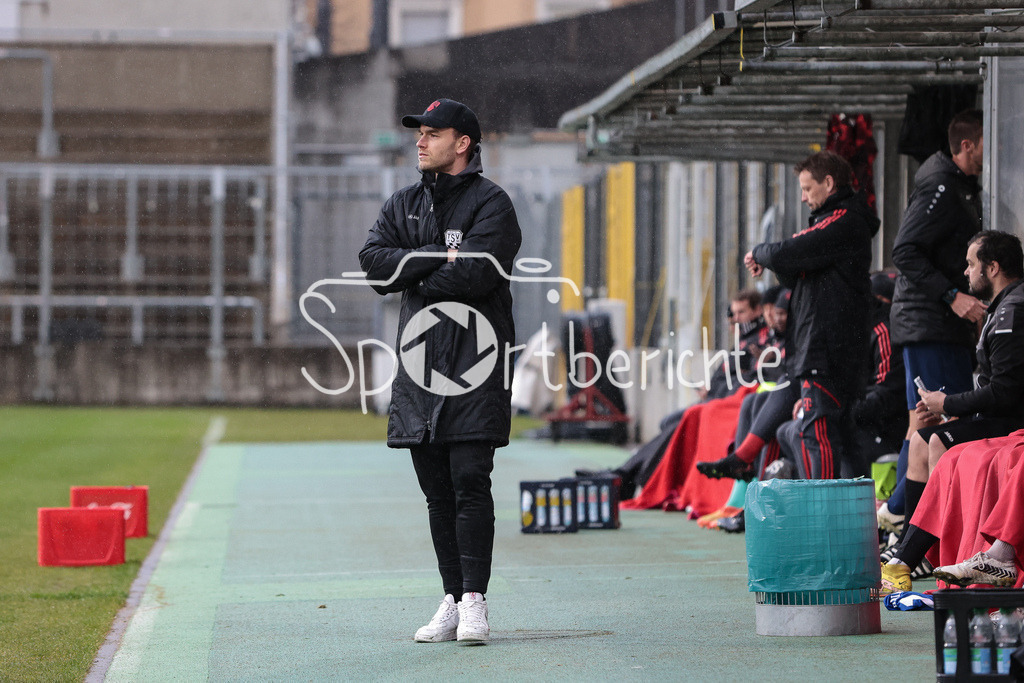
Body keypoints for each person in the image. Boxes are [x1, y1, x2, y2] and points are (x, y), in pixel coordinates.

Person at [358, 98, 522, 644]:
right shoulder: (403, 203)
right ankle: (451, 598)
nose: (420, 141)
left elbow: (476, 275)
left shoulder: (492, 203)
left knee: (470, 479)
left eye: (433, 133)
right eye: (419, 133)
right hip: (420, 367)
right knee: (436, 491)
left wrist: (414, 271)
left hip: (477, 364)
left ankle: (475, 601)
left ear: (463, 143)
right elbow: (374, 265)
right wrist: (437, 256)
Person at [699, 150, 879, 480]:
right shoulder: (833, 225)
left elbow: (788, 252)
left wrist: (759, 253)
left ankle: (821, 509)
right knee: (839, 436)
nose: (803, 197)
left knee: (818, 433)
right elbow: (792, 269)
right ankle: (843, 510)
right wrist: (774, 260)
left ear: (829, 183)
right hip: (822, 348)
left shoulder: (843, 221)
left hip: (827, 350)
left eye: (808, 189)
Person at [885, 109, 985, 528]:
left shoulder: (958, 182)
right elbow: (905, 250)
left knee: (924, 422)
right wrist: (953, 296)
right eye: (989, 143)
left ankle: (897, 514)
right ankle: (903, 517)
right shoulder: (941, 185)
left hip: (934, 325)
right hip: (930, 323)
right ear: (967, 145)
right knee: (941, 423)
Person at [898, 230, 1024, 532]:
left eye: (970, 264)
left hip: (1012, 423)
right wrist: (951, 410)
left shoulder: (1012, 310)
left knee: (938, 441)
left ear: (992, 268)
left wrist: (948, 403)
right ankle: (908, 545)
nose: (965, 272)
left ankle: (938, 548)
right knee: (920, 440)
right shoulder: (1002, 307)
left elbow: (1004, 392)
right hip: (998, 416)